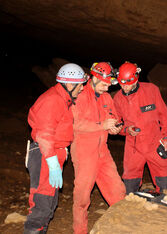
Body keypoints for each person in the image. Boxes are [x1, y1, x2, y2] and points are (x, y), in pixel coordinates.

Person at [24, 63, 88, 234]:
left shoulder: (63, 99)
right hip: (45, 155)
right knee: (41, 205)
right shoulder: (53, 100)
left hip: (52, 154)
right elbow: (44, 134)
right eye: (80, 84)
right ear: (69, 84)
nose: (82, 88)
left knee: (49, 205)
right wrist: (52, 163)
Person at [70, 62, 126, 234]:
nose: (106, 88)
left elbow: (115, 117)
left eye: (108, 85)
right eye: (103, 84)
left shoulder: (106, 97)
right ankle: (80, 231)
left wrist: (115, 127)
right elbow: (75, 123)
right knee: (82, 197)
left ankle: (120, 228)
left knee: (118, 191)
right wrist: (102, 125)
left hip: (103, 151)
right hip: (84, 151)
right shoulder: (79, 94)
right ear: (94, 78)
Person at [113, 61, 167, 194]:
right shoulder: (117, 98)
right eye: (122, 84)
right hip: (133, 146)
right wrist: (125, 130)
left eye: (128, 84)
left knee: (166, 186)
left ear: (136, 79)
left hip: (155, 142)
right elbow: (117, 124)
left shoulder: (151, 90)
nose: (124, 88)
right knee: (129, 184)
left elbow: (164, 116)